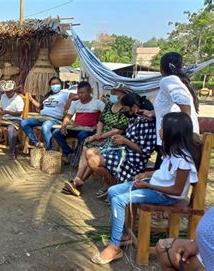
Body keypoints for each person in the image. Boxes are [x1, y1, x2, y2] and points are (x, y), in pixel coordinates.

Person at [91, 112, 200, 265]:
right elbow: (165, 172)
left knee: (119, 200)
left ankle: (114, 246)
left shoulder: (183, 160)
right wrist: (146, 175)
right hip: (155, 187)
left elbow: (177, 191)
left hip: (165, 195)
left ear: (172, 132)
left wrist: (148, 185)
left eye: (162, 127)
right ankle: (123, 234)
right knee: (112, 190)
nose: (160, 130)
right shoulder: (173, 151)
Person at [62, 82, 130, 196]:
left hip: (114, 138)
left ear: (123, 94)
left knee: (90, 151)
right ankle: (78, 179)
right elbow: (101, 121)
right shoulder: (109, 105)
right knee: (87, 145)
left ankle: (77, 182)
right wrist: (97, 134)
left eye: (115, 92)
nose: (112, 94)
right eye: (112, 92)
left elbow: (119, 130)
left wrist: (101, 136)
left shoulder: (125, 109)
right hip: (102, 134)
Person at [85, 93, 157, 196]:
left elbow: (144, 151)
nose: (124, 111)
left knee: (93, 161)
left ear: (134, 106)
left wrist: (124, 140)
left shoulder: (146, 122)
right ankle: (112, 184)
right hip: (125, 151)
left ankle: (113, 185)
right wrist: (120, 139)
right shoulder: (134, 117)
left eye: (125, 108)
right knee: (89, 152)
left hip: (134, 158)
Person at [143, 52, 200, 169]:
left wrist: (166, 129)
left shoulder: (168, 80)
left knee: (162, 177)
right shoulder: (178, 80)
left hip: (174, 139)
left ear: (161, 67)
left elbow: (184, 104)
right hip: (176, 139)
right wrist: (153, 113)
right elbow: (171, 105)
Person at [53, 81, 105, 160]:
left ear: (89, 92)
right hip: (76, 128)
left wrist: (99, 128)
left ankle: (76, 156)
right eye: (78, 93)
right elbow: (68, 117)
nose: (80, 95)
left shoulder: (98, 103)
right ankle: (70, 154)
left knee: (82, 135)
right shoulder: (76, 103)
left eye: (83, 92)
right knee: (56, 133)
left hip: (89, 130)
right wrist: (64, 126)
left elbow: (105, 118)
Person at [21, 76, 77, 150]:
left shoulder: (65, 93)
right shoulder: (48, 96)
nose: (55, 85)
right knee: (24, 122)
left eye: (57, 83)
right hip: (41, 117)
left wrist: (70, 100)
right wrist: (31, 99)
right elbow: (40, 107)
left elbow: (79, 96)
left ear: (60, 84)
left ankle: (49, 150)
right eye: (53, 84)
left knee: (45, 127)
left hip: (54, 119)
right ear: (50, 86)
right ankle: (36, 142)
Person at [0, 80, 24, 160]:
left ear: (13, 90)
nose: (7, 93)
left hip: (15, 120)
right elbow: (1, 107)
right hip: (4, 119)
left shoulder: (18, 99)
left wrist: (7, 112)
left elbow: (19, 113)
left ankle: (12, 152)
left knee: (11, 129)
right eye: (6, 91)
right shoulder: (3, 96)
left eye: (9, 91)